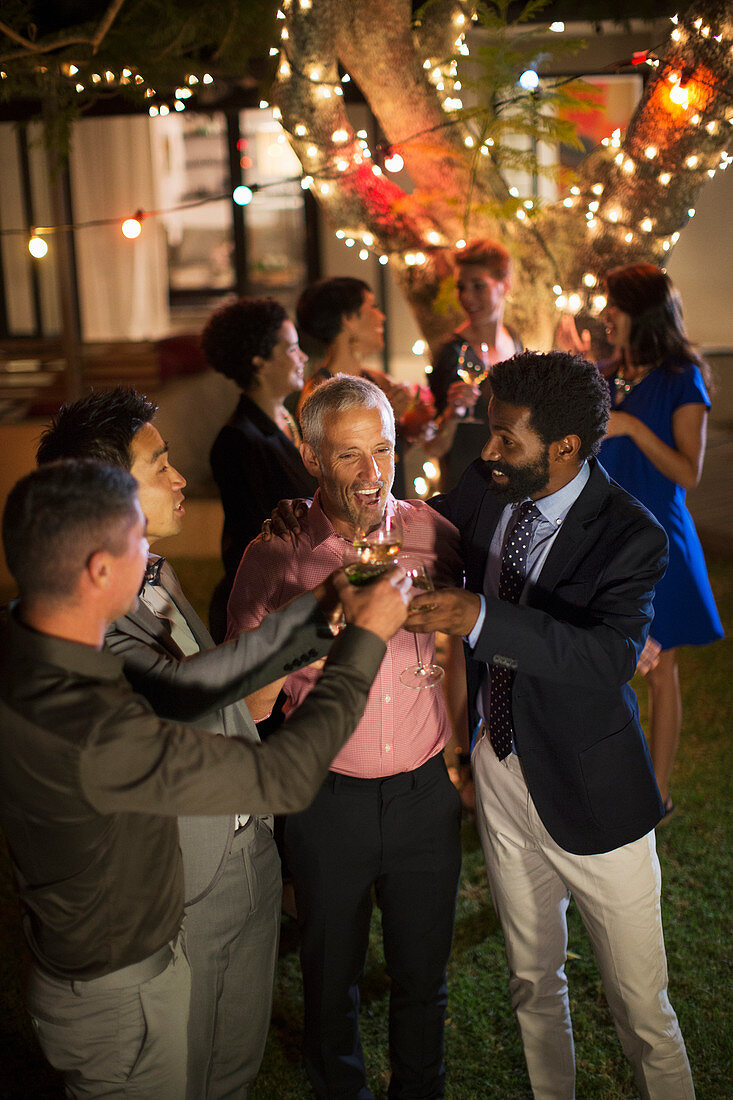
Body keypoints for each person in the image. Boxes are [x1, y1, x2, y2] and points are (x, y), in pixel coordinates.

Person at [0, 460, 409, 1099]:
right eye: (139, 540)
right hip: (120, 993)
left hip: (83, 964)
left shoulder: (28, 643)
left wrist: (338, 592)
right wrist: (363, 642)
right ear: (101, 572)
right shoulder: (93, 729)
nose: (151, 557)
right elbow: (282, 776)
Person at [405, 351, 695, 1099]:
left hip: (591, 794)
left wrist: (477, 615)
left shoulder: (632, 535)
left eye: (506, 439)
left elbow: (604, 657)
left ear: (565, 447)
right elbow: (426, 529)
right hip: (498, 768)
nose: (488, 453)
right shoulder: (492, 483)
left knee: (640, 1010)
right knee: (531, 982)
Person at [228, 375, 463, 1100]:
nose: (372, 475)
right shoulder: (274, 555)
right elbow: (241, 698)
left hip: (426, 794)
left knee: (424, 978)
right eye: (351, 456)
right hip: (325, 802)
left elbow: (468, 639)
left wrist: (458, 756)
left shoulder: (432, 534)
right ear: (310, 455)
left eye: (384, 451)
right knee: (332, 983)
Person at [591, 263, 721, 815]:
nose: (605, 316)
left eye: (613, 306)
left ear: (641, 313)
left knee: (661, 666)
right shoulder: (603, 374)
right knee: (598, 660)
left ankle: (657, 792)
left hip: (659, 538)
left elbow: (688, 473)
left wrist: (634, 427)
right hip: (603, 538)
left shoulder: (681, 379)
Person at [202, 297, 318, 641]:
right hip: (269, 612)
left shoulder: (290, 419)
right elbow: (250, 540)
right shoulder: (238, 440)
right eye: (292, 348)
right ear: (260, 361)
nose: (303, 357)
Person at [296, 276, 435, 497]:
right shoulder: (317, 393)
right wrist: (392, 420)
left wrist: (414, 428)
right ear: (349, 319)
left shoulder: (379, 381)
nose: (382, 316)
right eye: (373, 307)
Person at [425, 239, 522, 490]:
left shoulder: (514, 339)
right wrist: (453, 413)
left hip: (513, 483)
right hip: (469, 487)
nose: (467, 297)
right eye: (461, 287)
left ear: (505, 285)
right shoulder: (451, 353)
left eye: (478, 286)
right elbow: (433, 445)